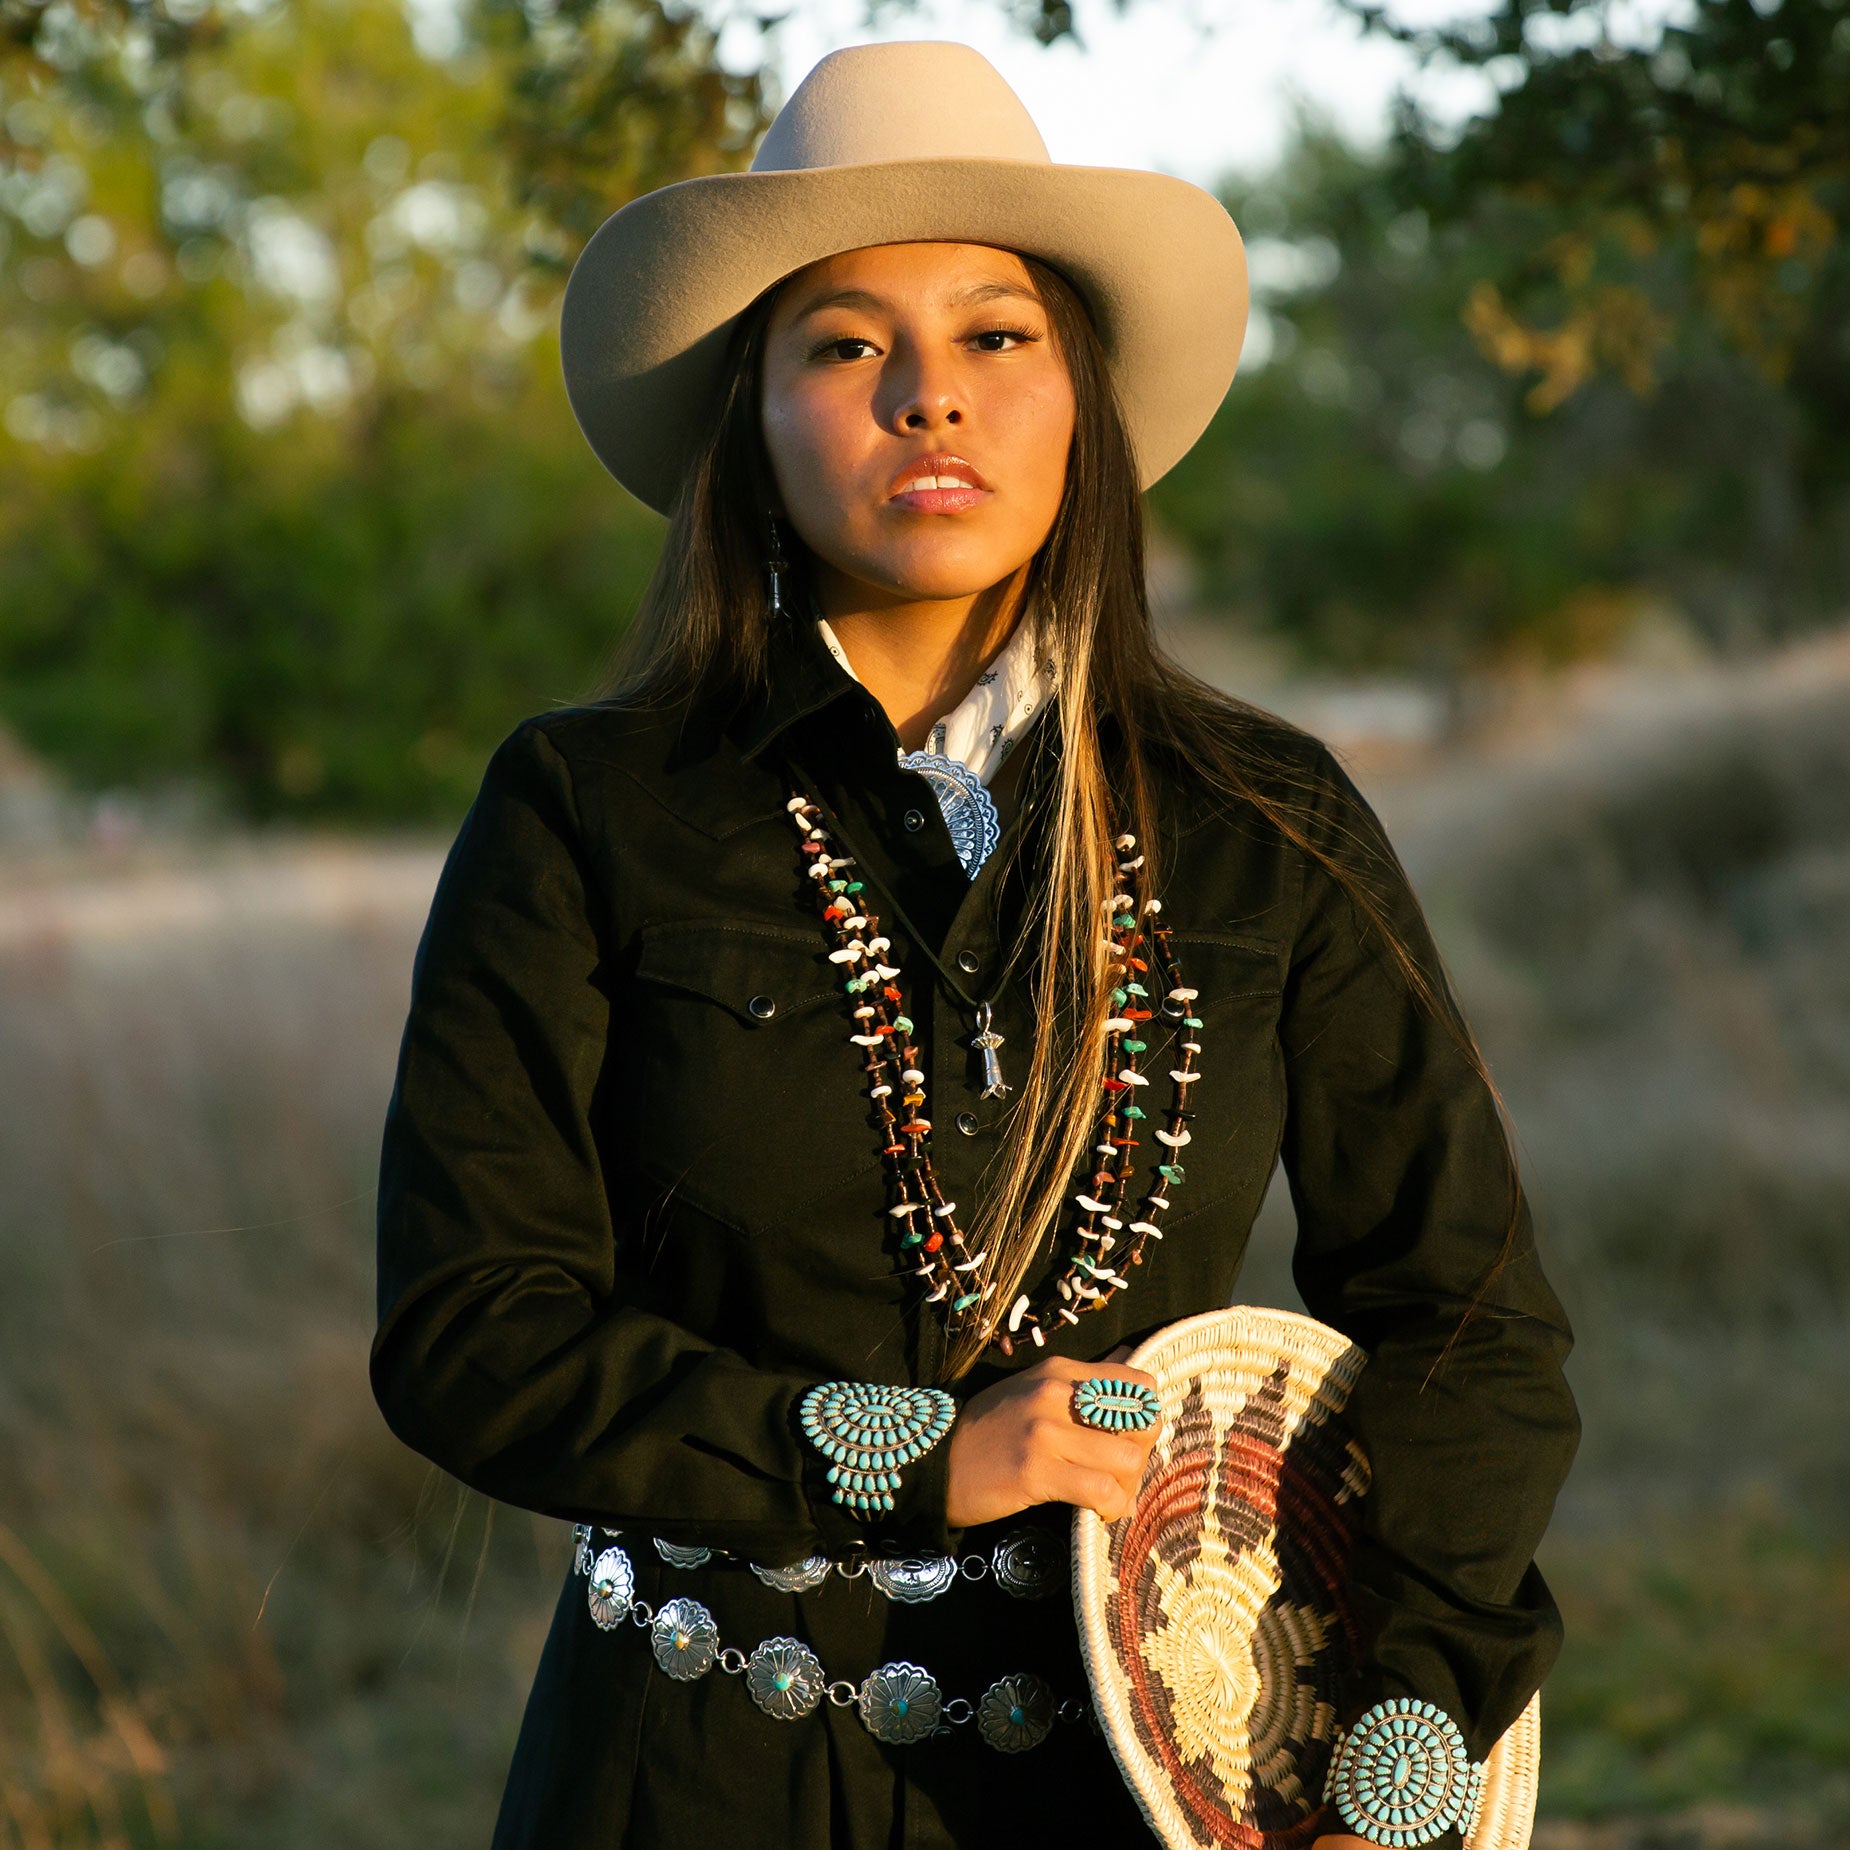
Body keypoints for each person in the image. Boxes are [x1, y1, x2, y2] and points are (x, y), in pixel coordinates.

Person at [370, 39, 1578, 1850]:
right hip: (691, 1780)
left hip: (1143, 1795)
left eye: (995, 335)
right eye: (846, 344)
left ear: (1076, 394)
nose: (928, 398)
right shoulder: (586, 807)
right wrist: (904, 1448)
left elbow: (1463, 1310)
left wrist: (1399, 1732)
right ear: (751, 417)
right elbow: (472, 1327)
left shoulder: (1267, 818)